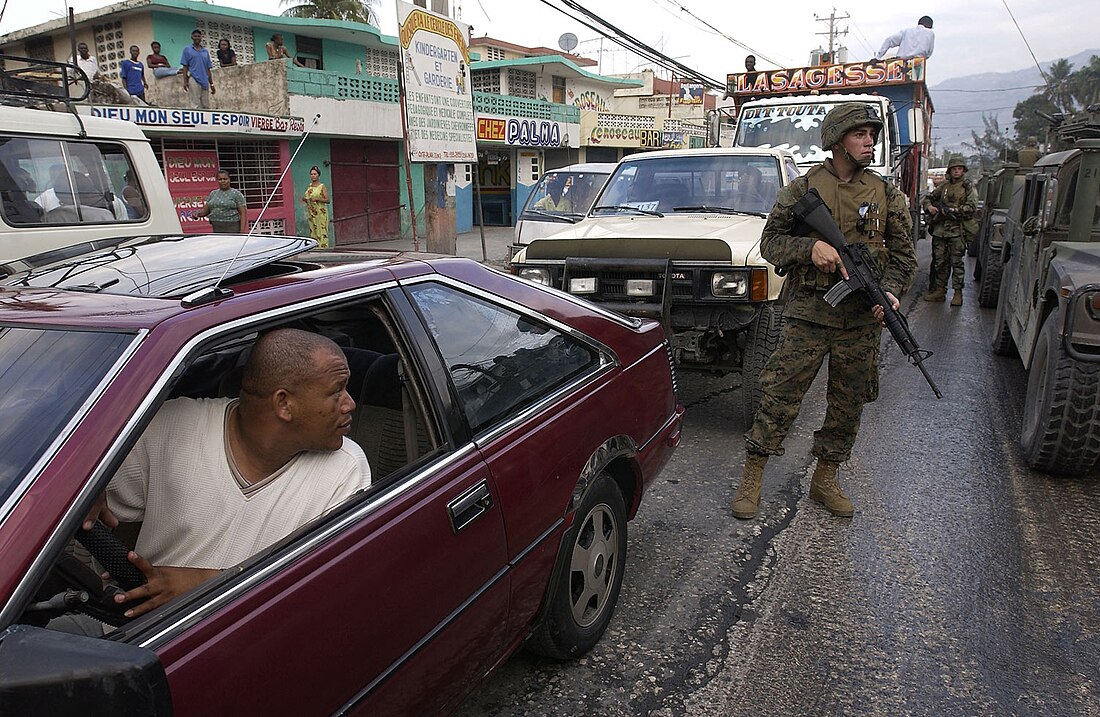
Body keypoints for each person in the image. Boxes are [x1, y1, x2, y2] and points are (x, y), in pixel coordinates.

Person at [82, 328, 371, 619]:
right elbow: (80, 496)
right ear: (284, 404)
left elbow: (318, 587)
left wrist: (201, 585)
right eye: (337, 391)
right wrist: (86, 484)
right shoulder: (172, 427)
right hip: (133, 631)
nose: (350, 404)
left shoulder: (344, 469)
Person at [732, 104, 917, 520]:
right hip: (808, 315)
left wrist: (890, 291)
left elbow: (905, 257)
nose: (870, 140)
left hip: (860, 321)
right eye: (860, 134)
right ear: (836, 141)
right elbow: (770, 243)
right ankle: (753, 475)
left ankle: (826, 477)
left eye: (872, 134)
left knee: (848, 402)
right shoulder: (803, 190)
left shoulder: (886, 195)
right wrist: (808, 248)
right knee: (780, 395)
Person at [922, 155, 978, 307]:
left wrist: (955, 211)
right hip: (941, 231)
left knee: (957, 263)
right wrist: (930, 208)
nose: (957, 172)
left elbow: (972, 207)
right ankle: (940, 291)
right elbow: (928, 198)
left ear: (963, 170)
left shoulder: (967, 187)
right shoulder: (944, 186)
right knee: (940, 262)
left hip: (957, 230)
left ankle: (957, 293)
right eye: (954, 169)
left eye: (959, 169)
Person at [181, 29, 215, 109]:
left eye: (199, 36)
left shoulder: (205, 51)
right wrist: (185, 81)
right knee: (195, 103)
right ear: (192, 37)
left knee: (206, 104)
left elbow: (208, 69)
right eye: (195, 36)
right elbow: (185, 67)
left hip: (205, 80)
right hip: (194, 79)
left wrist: (211, 83)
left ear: (201, 38)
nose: (197, 38)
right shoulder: (187, 50)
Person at [302, 165, 331, 248]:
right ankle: (315, 249)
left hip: (320, 214)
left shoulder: (322, 186)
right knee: (313, 231)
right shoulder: (309, 186)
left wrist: (317, 199)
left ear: (318, 175)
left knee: (322, 231)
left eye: (315, 174)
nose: (313, 176)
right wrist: (305, 199)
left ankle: (323, 248)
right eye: (311, 174)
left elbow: (327, 200)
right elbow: (306, 197)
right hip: (311, 213)